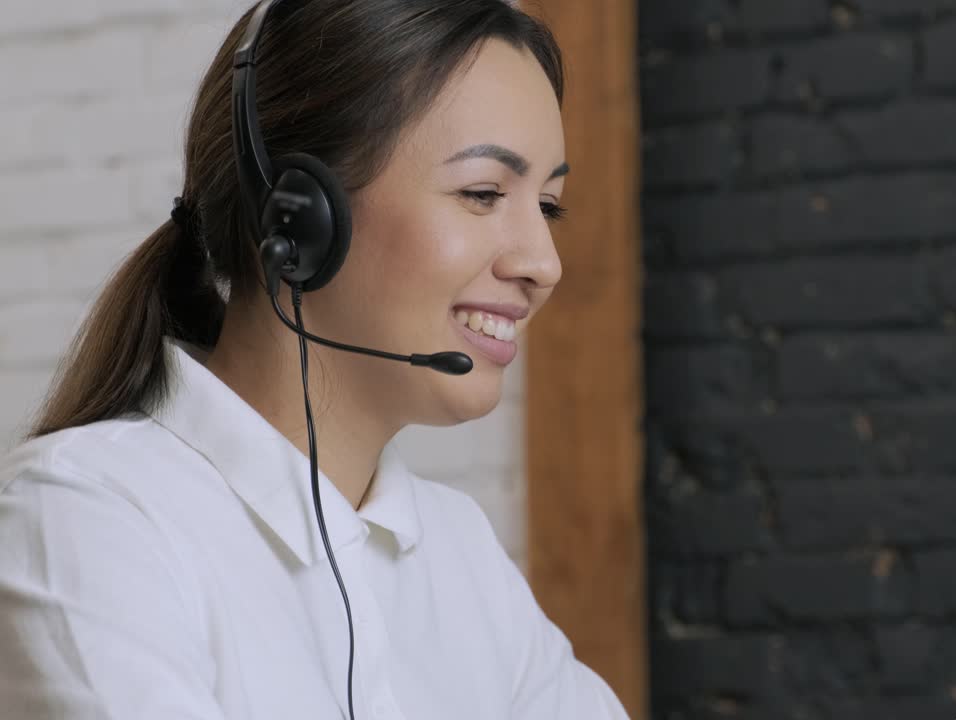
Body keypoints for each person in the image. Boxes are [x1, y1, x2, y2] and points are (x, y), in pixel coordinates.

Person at [0, 1, 629, 718]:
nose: (542, 263)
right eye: (483, 194)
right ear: (299, 217)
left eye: (548, 205)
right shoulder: (87, 521)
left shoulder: (462, 555)